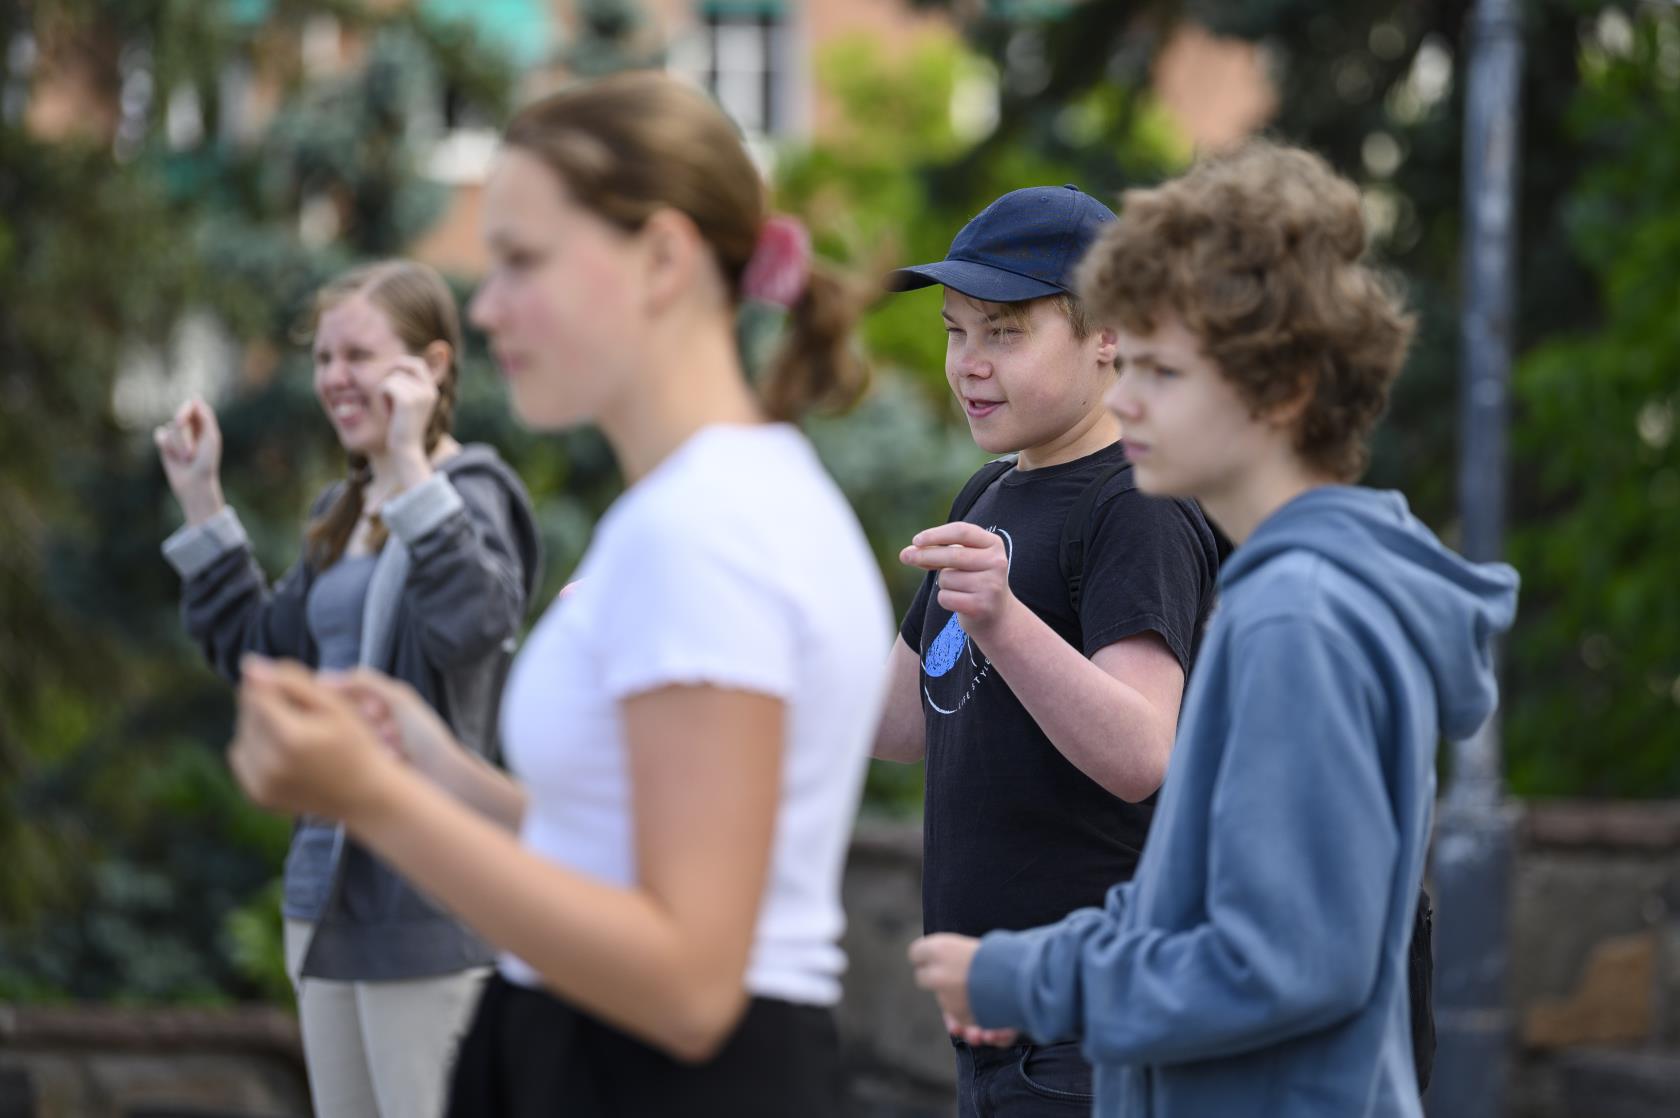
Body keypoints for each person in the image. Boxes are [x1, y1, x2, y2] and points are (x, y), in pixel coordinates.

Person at [218, 71, 892, 1117]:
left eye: (521, 259)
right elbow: (624, 841)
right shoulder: (708, 501)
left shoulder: (705, 529)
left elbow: (689, 983)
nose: (486, 308)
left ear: (662, 258)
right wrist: (439, 767)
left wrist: (375, 799)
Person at [908, 140, 1519, 1118]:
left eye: (1161, 368)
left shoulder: (1297, 618)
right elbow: (1214, 905)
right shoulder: (1297, 593)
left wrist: (1036, 979)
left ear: (1274, 392)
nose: (1131, 397)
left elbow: (1282, 961)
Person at [156, 258, 541, 1118]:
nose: (333, 378)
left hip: (427, 900)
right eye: (323, 357)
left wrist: (409, 466)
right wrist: (201, 500)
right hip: (324, 896)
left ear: (431, 366)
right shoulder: (344, 510)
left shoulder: (473, 494)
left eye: (358, 355)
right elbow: (259, 653)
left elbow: (470, 628)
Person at [872, 185, 1220, 1112]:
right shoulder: (986, 494)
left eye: (1004, 332)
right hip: (997, 1032)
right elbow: (898, 720)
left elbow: (1143, 750)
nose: (968, 366)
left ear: (1107, 332)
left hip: (1092, 1038)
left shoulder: (1139, 503)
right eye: (956, 332)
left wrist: (1004, 619)